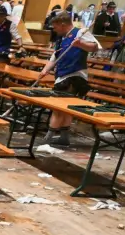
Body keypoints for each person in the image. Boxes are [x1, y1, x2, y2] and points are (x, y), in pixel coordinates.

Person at [33, 11, 99, 146]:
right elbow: (55, 56)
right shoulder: (61, 38)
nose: (55, 30)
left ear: (62, 24)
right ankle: (64, 137)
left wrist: (80, 44)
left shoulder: (80, 33)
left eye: (55, 27)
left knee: (59, 107)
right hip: (61, 74)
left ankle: (48, 138)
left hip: (74, 75)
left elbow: (94, 47)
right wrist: (45, 69)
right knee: (66, 108)